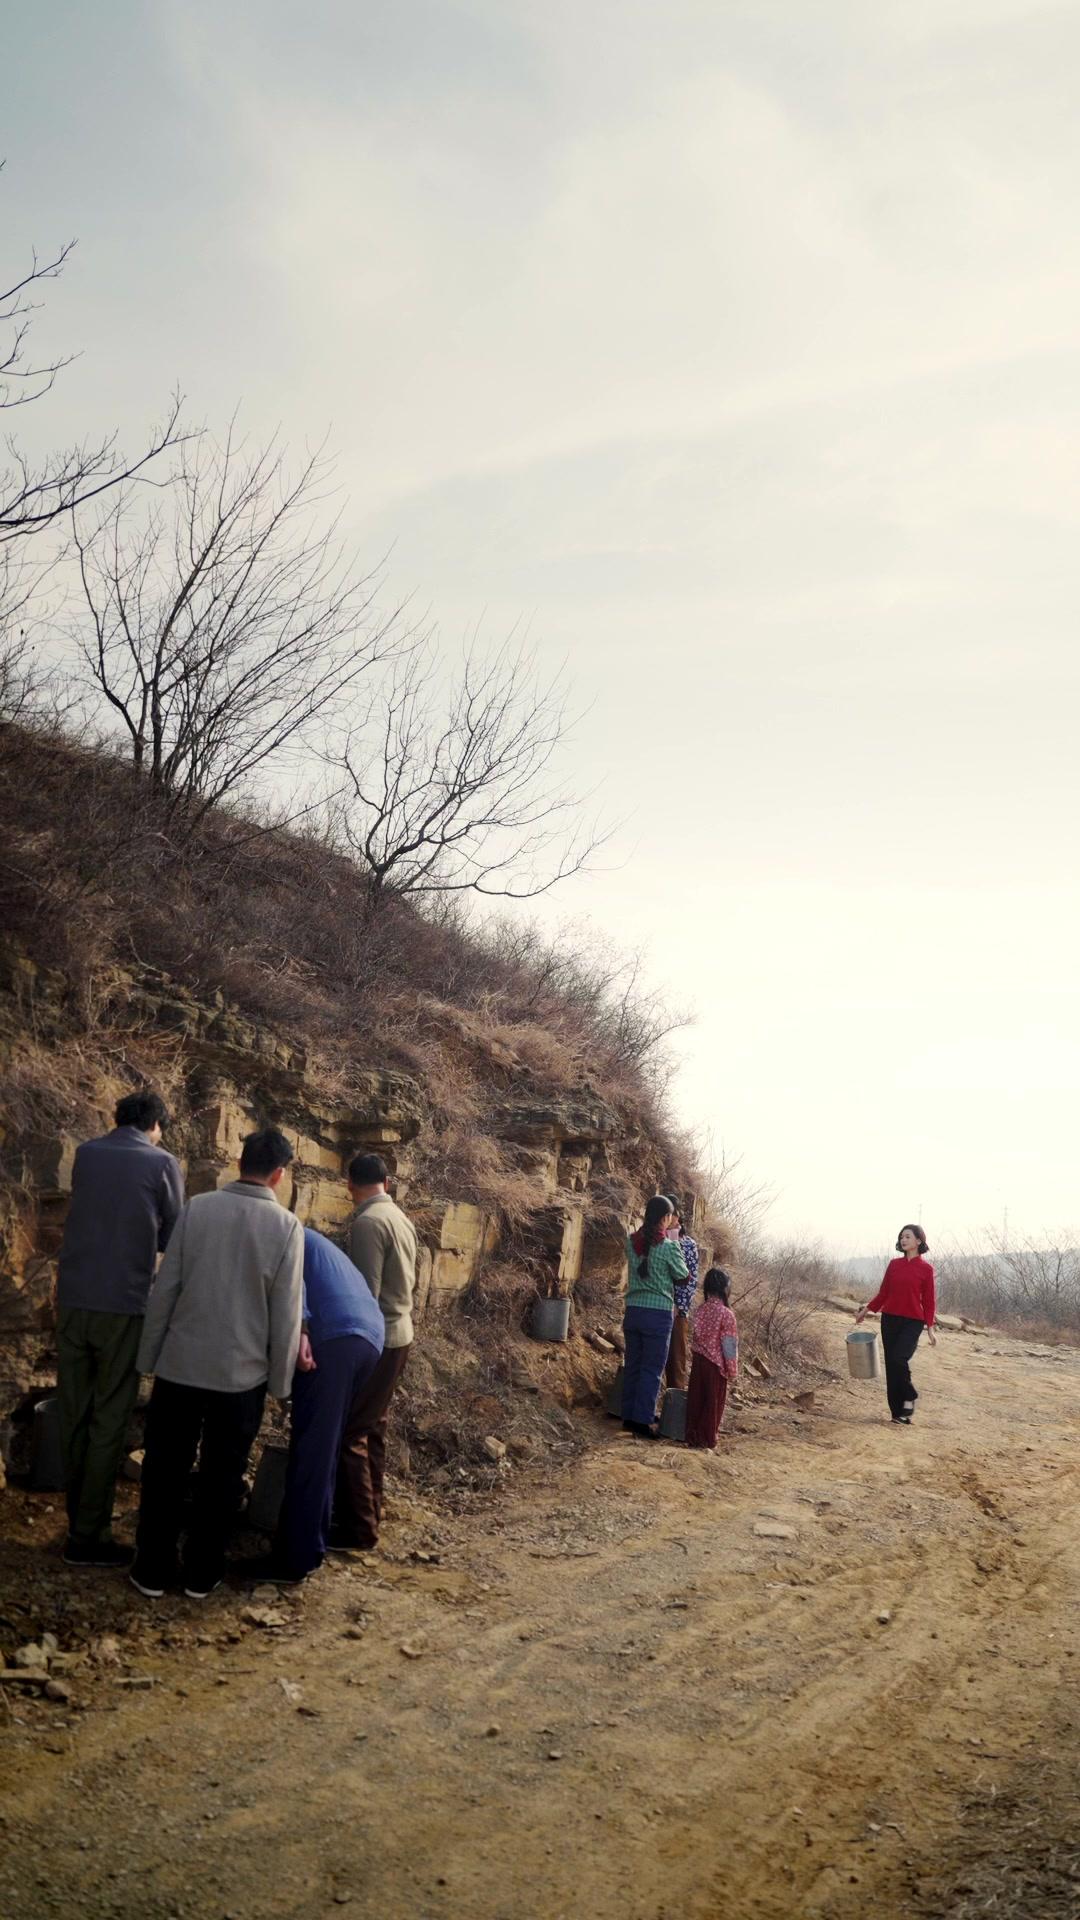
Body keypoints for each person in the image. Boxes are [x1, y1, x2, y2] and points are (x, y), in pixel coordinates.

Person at [130, 1127, 304, 1599]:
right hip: (240, 1377)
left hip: (180, 1366)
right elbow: (286, 1314)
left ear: (240, 1161)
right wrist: (281, 1384)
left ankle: (151, 1567)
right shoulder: (287, 1228)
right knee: (222, 1477)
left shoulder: (198, 1208)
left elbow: (167, 1288)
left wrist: (148, 1356)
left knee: (165, 1467)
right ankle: (203, 1572)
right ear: (279, 1175)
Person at [56, 1089, 184, 1569]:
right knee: (108, 1418)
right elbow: (174, 1235)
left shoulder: (87, 1154)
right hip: (123, 1306)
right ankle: (88, 1537)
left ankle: (76, 1523)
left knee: (73, 1412)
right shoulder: (161, 1163)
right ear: (154, 1125)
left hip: (71, 1300)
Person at [245, 1229, 386, 1584]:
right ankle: (312, 1543)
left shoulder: (281, 1234)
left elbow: (295, 1290)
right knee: (325, 1444)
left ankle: (295, 1560)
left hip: (334, 1337)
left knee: (313, 1450)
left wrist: (303, 1330)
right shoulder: (311, 1239)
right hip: (368, 1338)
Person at [329, 1152, 419, 1552]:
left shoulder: (368, 1222)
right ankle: (371, 1510)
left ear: (351, 1183)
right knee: (373, 1428)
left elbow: (364, 1292)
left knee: (351, 1433)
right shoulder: (400, 1217)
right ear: (386, 1180)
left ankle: (358, 1530)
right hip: (401, 1333)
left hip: (378, 1337)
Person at [854, 1223, 937, 1424]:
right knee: (892, 1365)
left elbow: (928, 1300)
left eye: (908, 1236)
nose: (903, 1239)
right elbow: (884, 1293)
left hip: (913, 1322)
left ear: (919, 1241)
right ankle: (898, 1413)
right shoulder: (894, 1265)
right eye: (901, 1236)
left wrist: (930, 1328)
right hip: (890, 1318)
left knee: (899, 1358)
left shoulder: (926, 1269)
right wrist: (865, 1310)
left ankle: (909, 1395)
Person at [621, 1194, 688, 1437]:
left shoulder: (631, 1242)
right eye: (670, 1216)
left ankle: (628, 1415)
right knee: (651, 1368)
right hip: (658, 1313)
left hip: (634, 1310)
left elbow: (643, 1252)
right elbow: (683, 1276)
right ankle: (643, 1419)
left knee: (633, 1365)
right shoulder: (670, 1247)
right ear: (664, 1218)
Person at [685, 1268, 738, 1448]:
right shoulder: (726, 1314)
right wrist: (732, 1370)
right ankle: (707, 1439)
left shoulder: (701, 1310)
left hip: (698, 1361)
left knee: (696, 1400)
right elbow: (729, 1345)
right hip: (715, 1366)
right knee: (713, 1403)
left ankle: (692, 1436)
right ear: (725, 1289)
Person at [664, 1204, 700, 1392]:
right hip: (658, 1304)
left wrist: (681, 1306)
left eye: (672, 1215)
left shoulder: (688, 1244)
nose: (669, 1218)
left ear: (678, 1218)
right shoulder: (655, 1240)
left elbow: (691, 1279)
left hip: (678, 1310)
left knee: (676, 1359)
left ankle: (673, 1407)